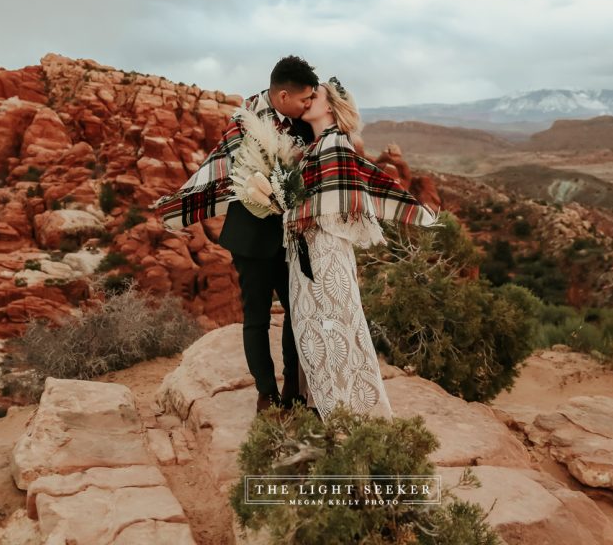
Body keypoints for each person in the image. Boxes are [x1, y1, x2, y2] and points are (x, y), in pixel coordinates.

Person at [151, 56, 318, 413]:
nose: (308, 105)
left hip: (293, 238)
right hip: (252, 237)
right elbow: (224, 169)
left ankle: (293, 387)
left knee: (298, 313)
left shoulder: (305, 124)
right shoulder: (245, 121)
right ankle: (266, 394)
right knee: (255, 316)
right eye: (304, 99)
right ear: (283, 95)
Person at [284, 77, 438, 420]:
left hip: (325, 251)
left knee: (337, 324)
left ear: (330, 107)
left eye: (315, 96)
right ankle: (325, 404)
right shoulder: (314, 146)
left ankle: (354, 409)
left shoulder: (337, 144)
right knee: (311, 328)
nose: (307, 100)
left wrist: (301, 213)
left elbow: (341, 203)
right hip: (304, 251)